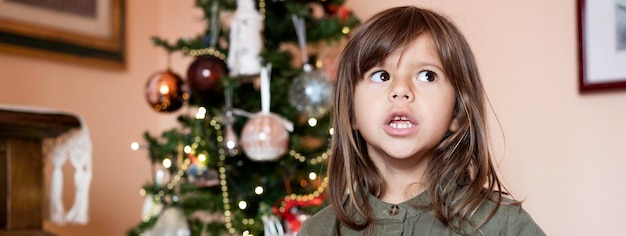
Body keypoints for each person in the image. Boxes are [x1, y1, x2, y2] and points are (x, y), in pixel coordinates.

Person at [298, 6, 545, 236]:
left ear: (457, 112)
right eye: (381, 75)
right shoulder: (317, 230)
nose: (401, 90)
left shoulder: (505, 227)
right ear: (350, 111)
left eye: (427, 76)